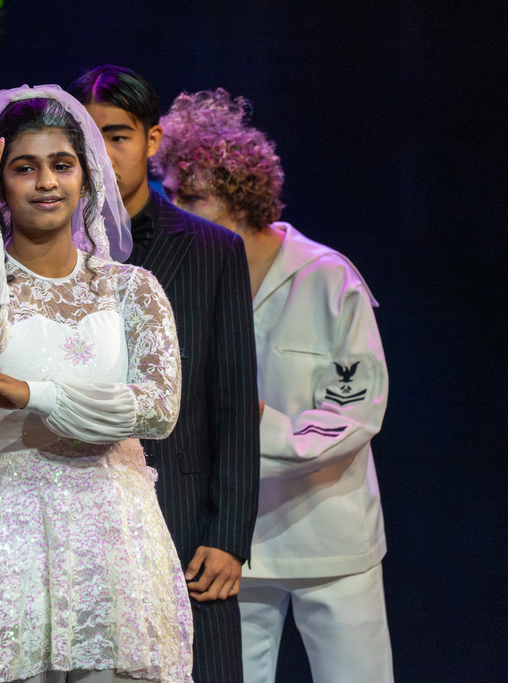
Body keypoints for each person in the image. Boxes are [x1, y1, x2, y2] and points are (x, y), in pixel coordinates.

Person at [0, 86, 192, 682]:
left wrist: (33, 394)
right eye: (24, 168)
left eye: (61, 165)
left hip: (114, 530)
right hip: (7, 526)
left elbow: (158, 411)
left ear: (86, 179)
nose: (46, 182)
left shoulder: (132, 288)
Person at [154, 88, 393, 682]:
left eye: (195, 197)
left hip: (331, 540)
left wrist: (251, 420)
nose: (177, 208)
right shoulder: (185, 281)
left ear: (240, 197)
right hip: (233, 543)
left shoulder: (327, 278)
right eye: (172, 194)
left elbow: (354, 409)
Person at [69, 66, 260, 682]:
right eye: (87, 139)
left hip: (181, 520)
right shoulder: (45, 246)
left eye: (117, 136)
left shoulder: (211, 250)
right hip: (74, 512)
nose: (103, 154)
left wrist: (229, 533)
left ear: (153, 142)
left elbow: (232, 398)